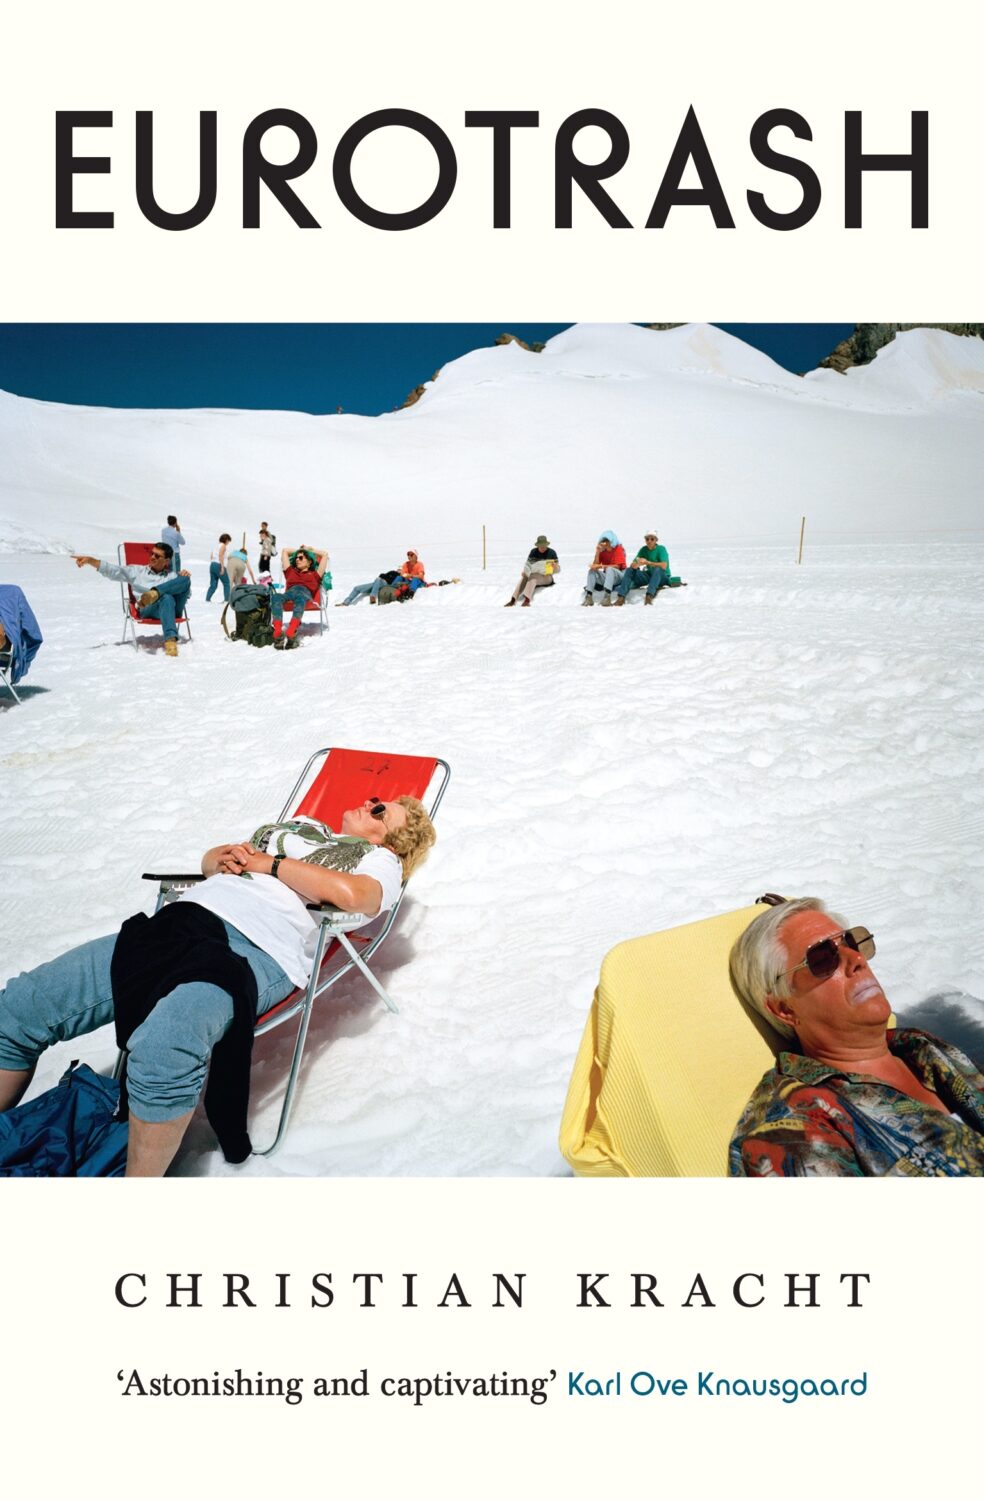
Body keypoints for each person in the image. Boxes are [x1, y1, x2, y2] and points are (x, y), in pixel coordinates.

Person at [0, 796, 437, 1175]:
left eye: (380, 812)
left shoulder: (380, 861)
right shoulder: (304, 827)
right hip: (180, 922)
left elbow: (358, 896)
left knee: (164, 1049)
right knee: (19, 1008)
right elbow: (216, 862)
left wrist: (271, 865)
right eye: (374, 799)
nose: (368, 803)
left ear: (392, 842)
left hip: (252, 949)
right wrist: (219, 860)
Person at [728, 898, 984, 1176]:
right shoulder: (796, 1128)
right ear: (784, 1009)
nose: (857, 960)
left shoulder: (919, 1047)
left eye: (851, 943)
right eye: (822, 958)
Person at [73, 543, 191, 658]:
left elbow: (187, 594)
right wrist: (91, 561)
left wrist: (182, 578)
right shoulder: (137, 571)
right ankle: (170, 642)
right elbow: (114, 570)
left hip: (173, 609)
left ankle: (155, 593)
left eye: (157, 556)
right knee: (167, 597)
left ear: (166, 561)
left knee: (185, 579)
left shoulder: (172, 576)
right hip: (148, 608)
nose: (152, 557)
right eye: (152, 553)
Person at [273, 545, 329, 647]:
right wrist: (300, 551)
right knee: (276, 596)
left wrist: (309, 550)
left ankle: (292, 630)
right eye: (296, 558)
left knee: (300, 599)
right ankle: (278, 631)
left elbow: (325, 555)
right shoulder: (290, 572)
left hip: (304, 595)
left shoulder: (315, 575)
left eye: (301, 558)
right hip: (289, 593)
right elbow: (285, 551)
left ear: (309, 562)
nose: (297, 560)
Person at [614, 531, 670, 606]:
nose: (649, 541)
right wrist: (638, 563)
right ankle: (621, 597)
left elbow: (664, 566)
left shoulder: (661, 549)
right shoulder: (643, 549)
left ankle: (649, 596)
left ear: (656, 540)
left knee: (657, 569)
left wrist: (648, 562)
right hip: (650, 576)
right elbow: (632, 564)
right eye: (647, 539)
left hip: (662, 576)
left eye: (652, 539)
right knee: (630, 570)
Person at [505, 535, 561, 607]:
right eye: (541, 546)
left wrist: (555, 566)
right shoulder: (533, 552)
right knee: (525, 577)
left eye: (544, 546)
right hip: (535, 575)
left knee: (533, 577)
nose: (543, 548)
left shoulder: (552, 552)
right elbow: (528, 565)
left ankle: (527, 601)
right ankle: (513, 600)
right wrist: (525, 572)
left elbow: (558, 570)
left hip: (547, 577)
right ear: (537, 546)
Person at [582, 531, 626, 605]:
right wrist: (598, 552)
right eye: (603, 541)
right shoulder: (603, 551)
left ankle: (607, 597)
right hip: (608, 576)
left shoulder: (618, 548)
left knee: (610, 569)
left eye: (606, 541)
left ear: (611, 541)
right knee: (592, 571)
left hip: (619, 575)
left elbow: (617, 566)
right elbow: (596, 565)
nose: (604, 543)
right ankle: (589, 597)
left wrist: (601, 566)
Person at [205, 533, 232, 602]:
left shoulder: (216, 546)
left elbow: (211, 556)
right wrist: (222, 567)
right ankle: (227, 600)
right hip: (218, 565)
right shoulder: (223, 546)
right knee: (226, 583)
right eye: (228, 541)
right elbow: (220, 555)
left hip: (212, 565)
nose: (228, 543)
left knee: (213, 585)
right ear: (226, 540)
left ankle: (207, 599)